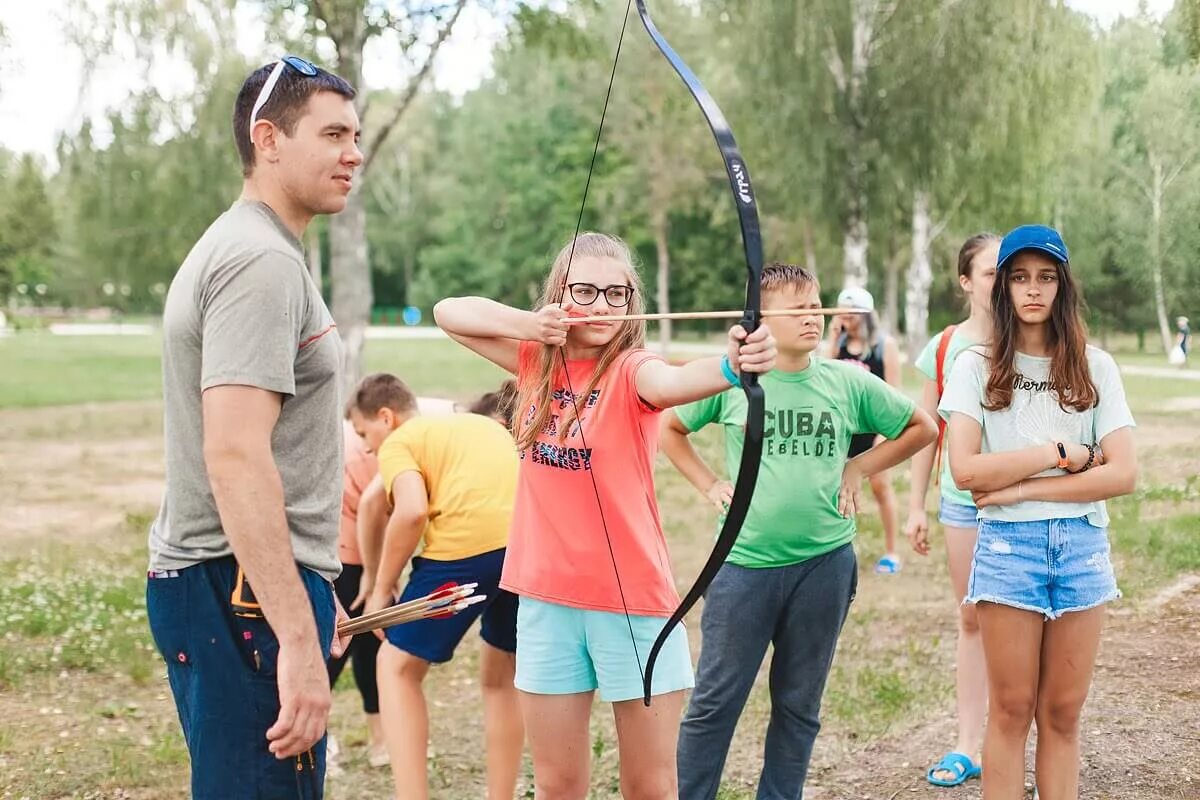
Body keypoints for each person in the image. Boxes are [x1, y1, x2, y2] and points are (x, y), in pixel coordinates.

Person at [433, 232, 776, 800]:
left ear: (632, 303)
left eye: (616, 294)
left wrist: (733, 363)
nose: (600, 306)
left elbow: (674, 383)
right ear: (557, 295)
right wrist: (530, 325)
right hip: (545, 601)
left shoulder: (633, 370)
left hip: (632, 606)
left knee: (651, 788)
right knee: (557, 785)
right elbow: (450, 312)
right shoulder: (533, 362)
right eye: (584, 290)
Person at [145, 55, 362, 799]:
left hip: (237, 581)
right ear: (268, 139)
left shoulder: (256, 248)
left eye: (356, 135)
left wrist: (310, 580)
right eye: (333, 134)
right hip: (234, 589)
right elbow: (235, 455)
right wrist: (295, 634)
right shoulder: (259, 261)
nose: (353, 152)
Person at [664, 264, 936, 800]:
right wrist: (708, 483)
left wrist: (858, 467)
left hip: (824, 566)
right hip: (742, 566)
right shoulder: (732, 383)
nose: (815, 316)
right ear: (758, 319)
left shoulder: (847, 380)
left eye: (816, 304)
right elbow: (670, 428)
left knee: (798, 703)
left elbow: (920, 427)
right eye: (799, 308)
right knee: (716, 703)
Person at [940, 224, 1137, 799]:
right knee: (1010, 710)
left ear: (1063, 286)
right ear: (1001, 287)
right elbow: (967, 471)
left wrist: (1022, 489)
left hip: (1081, 547)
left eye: (1046, 278)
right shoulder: (976, 366)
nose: (1033, 290)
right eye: (1020, 277)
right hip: (1007, 551)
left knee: (1062, 715)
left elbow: (1122, 473)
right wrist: (1061, 455)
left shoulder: (1096, 367)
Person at [350, 373, 524, 800]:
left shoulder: (399, 443)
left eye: (363, 434)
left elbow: (410, 512)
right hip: (526, 545)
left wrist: (381, 589)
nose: (367, 447)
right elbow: (374, 503)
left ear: (385, 418)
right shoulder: (467, 423)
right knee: (501, 675)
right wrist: (372, 576)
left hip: (464, 550)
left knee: (396, 667)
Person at [905, 233, 1000, 786]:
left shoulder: (1035, 338)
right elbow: (928, 432)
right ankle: (968, 744)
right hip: (962, 504)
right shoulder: (944, 347)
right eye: (990, 272)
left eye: (1007, 271)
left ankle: (1018, 742)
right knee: (971, 619)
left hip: (1023, 502)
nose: (1002, 282)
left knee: (1023, 623)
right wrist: (916, 506)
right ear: (966, 281)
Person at [325, 416, 387, 772]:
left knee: (373, 640)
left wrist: (380, 578)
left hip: (362, 532)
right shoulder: (374, 449)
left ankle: (381, 739)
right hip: (341, 537)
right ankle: (317, 735)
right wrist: (377, 578)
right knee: (339, 639)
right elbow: (373, 508)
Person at [828, 285, 905, 573]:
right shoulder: (840, 343)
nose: (846, 318)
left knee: (880, 487)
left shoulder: (884, 345)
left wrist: (883, 436)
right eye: (842, 313)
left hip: (874, 429)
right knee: (840, 491)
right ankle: (842, 550)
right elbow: (823, 378)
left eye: (851, 313)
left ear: (865, 314)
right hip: (845, 430)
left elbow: (894, 394)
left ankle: (892, 552)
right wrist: (833, 341)